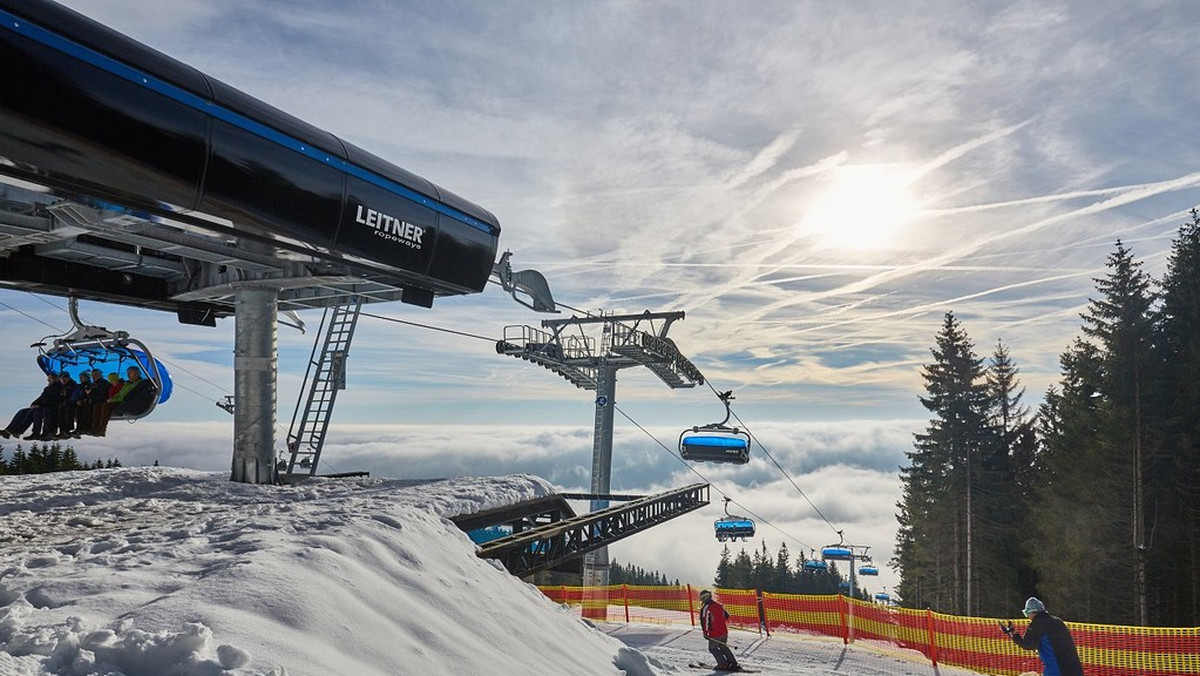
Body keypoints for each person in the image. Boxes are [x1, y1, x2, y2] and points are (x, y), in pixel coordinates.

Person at [999, 597, 1084, 676]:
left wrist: (1012, 634)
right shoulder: (1057, 621)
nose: (1028, 617)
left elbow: (1028, 644)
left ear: (1033, 612)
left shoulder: (1037, 624)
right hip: (1076, 669)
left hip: (1057, 670)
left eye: (1027, 613)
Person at [0, 373, 64, 441]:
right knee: (22, 411)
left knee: (35, 411)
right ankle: (8, 430)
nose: (48, 379)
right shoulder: (47, 388)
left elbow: (53, 400)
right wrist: (34, 403)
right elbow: (41, 398)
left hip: (50, 407)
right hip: (42, 406)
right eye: (48, 378)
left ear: (56, 379)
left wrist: (39, 405)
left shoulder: (58, 388)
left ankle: (21, 431)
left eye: (50, 378)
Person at [698, 589, 741, 672]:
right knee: (723, 646)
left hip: (715, 632)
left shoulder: (706, 607)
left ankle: (722, 664)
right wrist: (719, 621)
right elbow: (727, 616)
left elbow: (704, 621)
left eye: (701, 597)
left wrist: (705, 633)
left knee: (712, 648)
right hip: (724, 631)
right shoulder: (719, 605)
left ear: (704, 597)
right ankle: (733, 662)